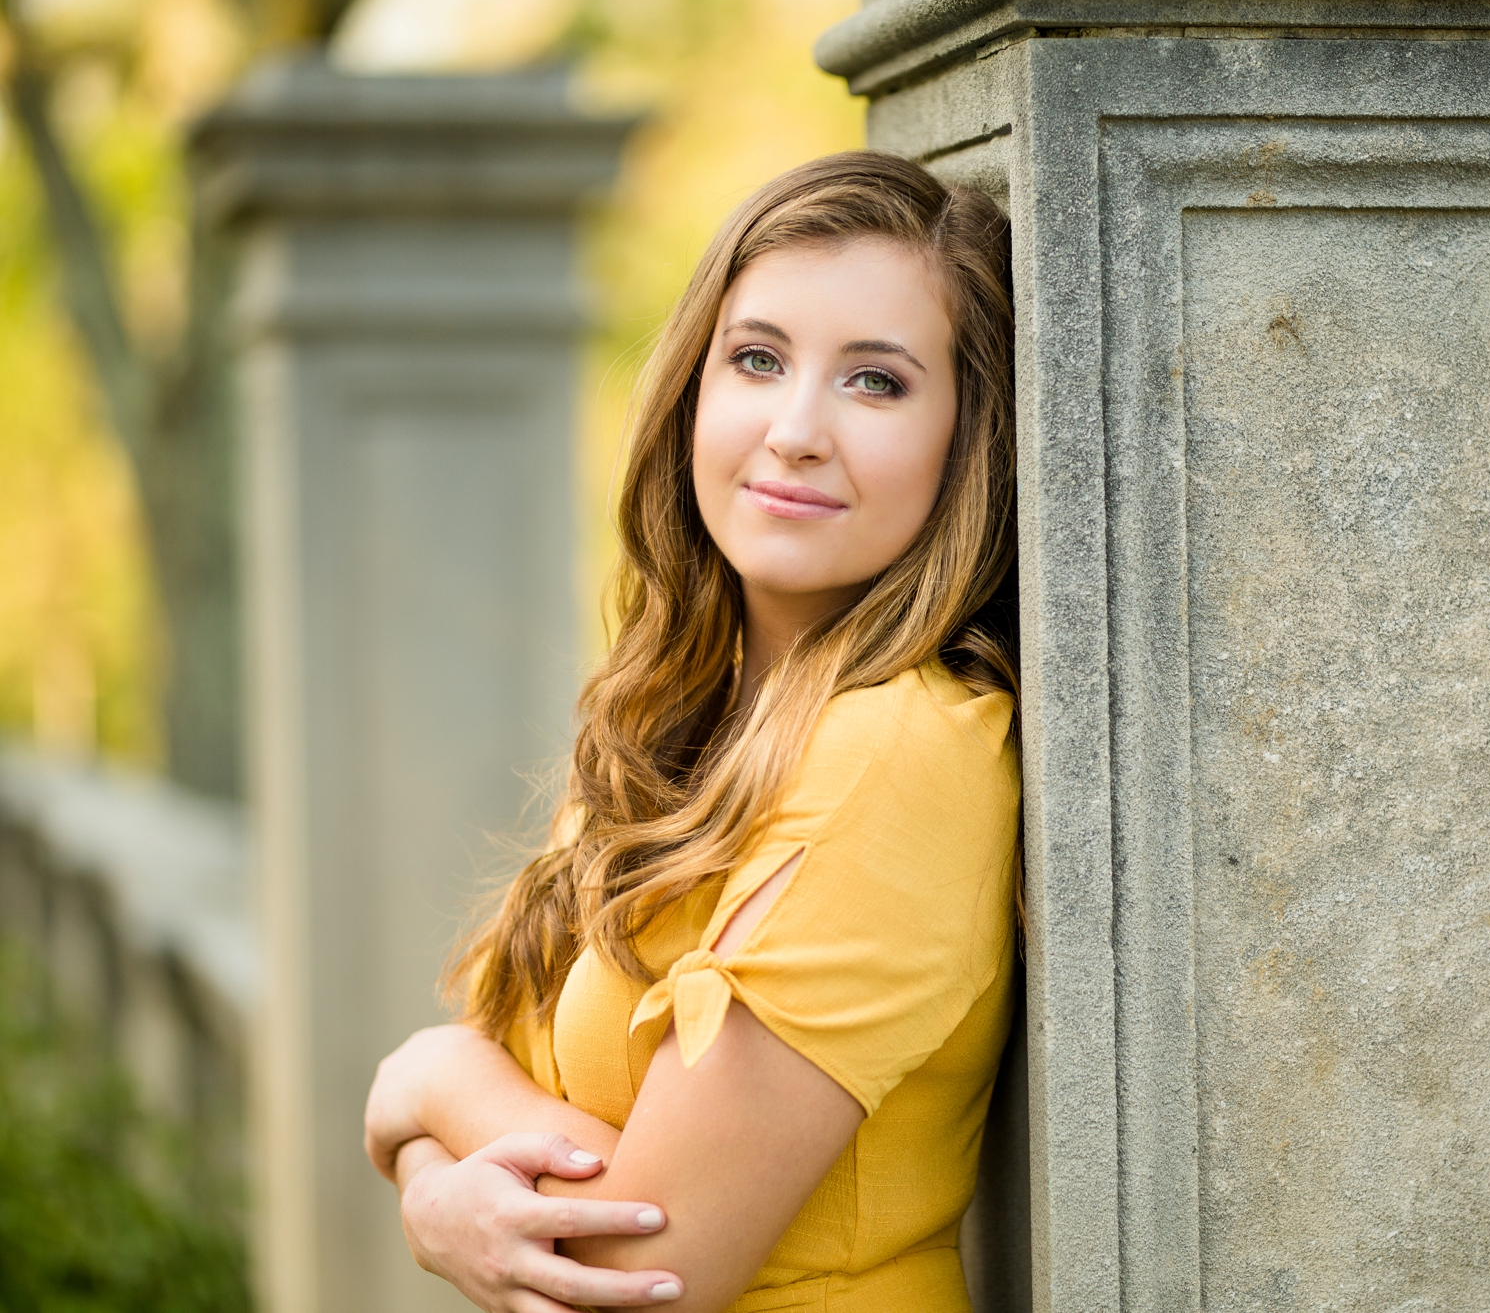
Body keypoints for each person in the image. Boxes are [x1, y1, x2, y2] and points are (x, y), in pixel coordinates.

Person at [361, 151, 1020, 1313]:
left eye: (875, 383)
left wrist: (424, 1078)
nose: (795, 430)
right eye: (756, 360)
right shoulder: (682, 722)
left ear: (965, 442)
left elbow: (636, 1271)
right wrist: (426, 1184)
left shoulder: (902, 754)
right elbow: (507, 1160)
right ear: (693, 391)